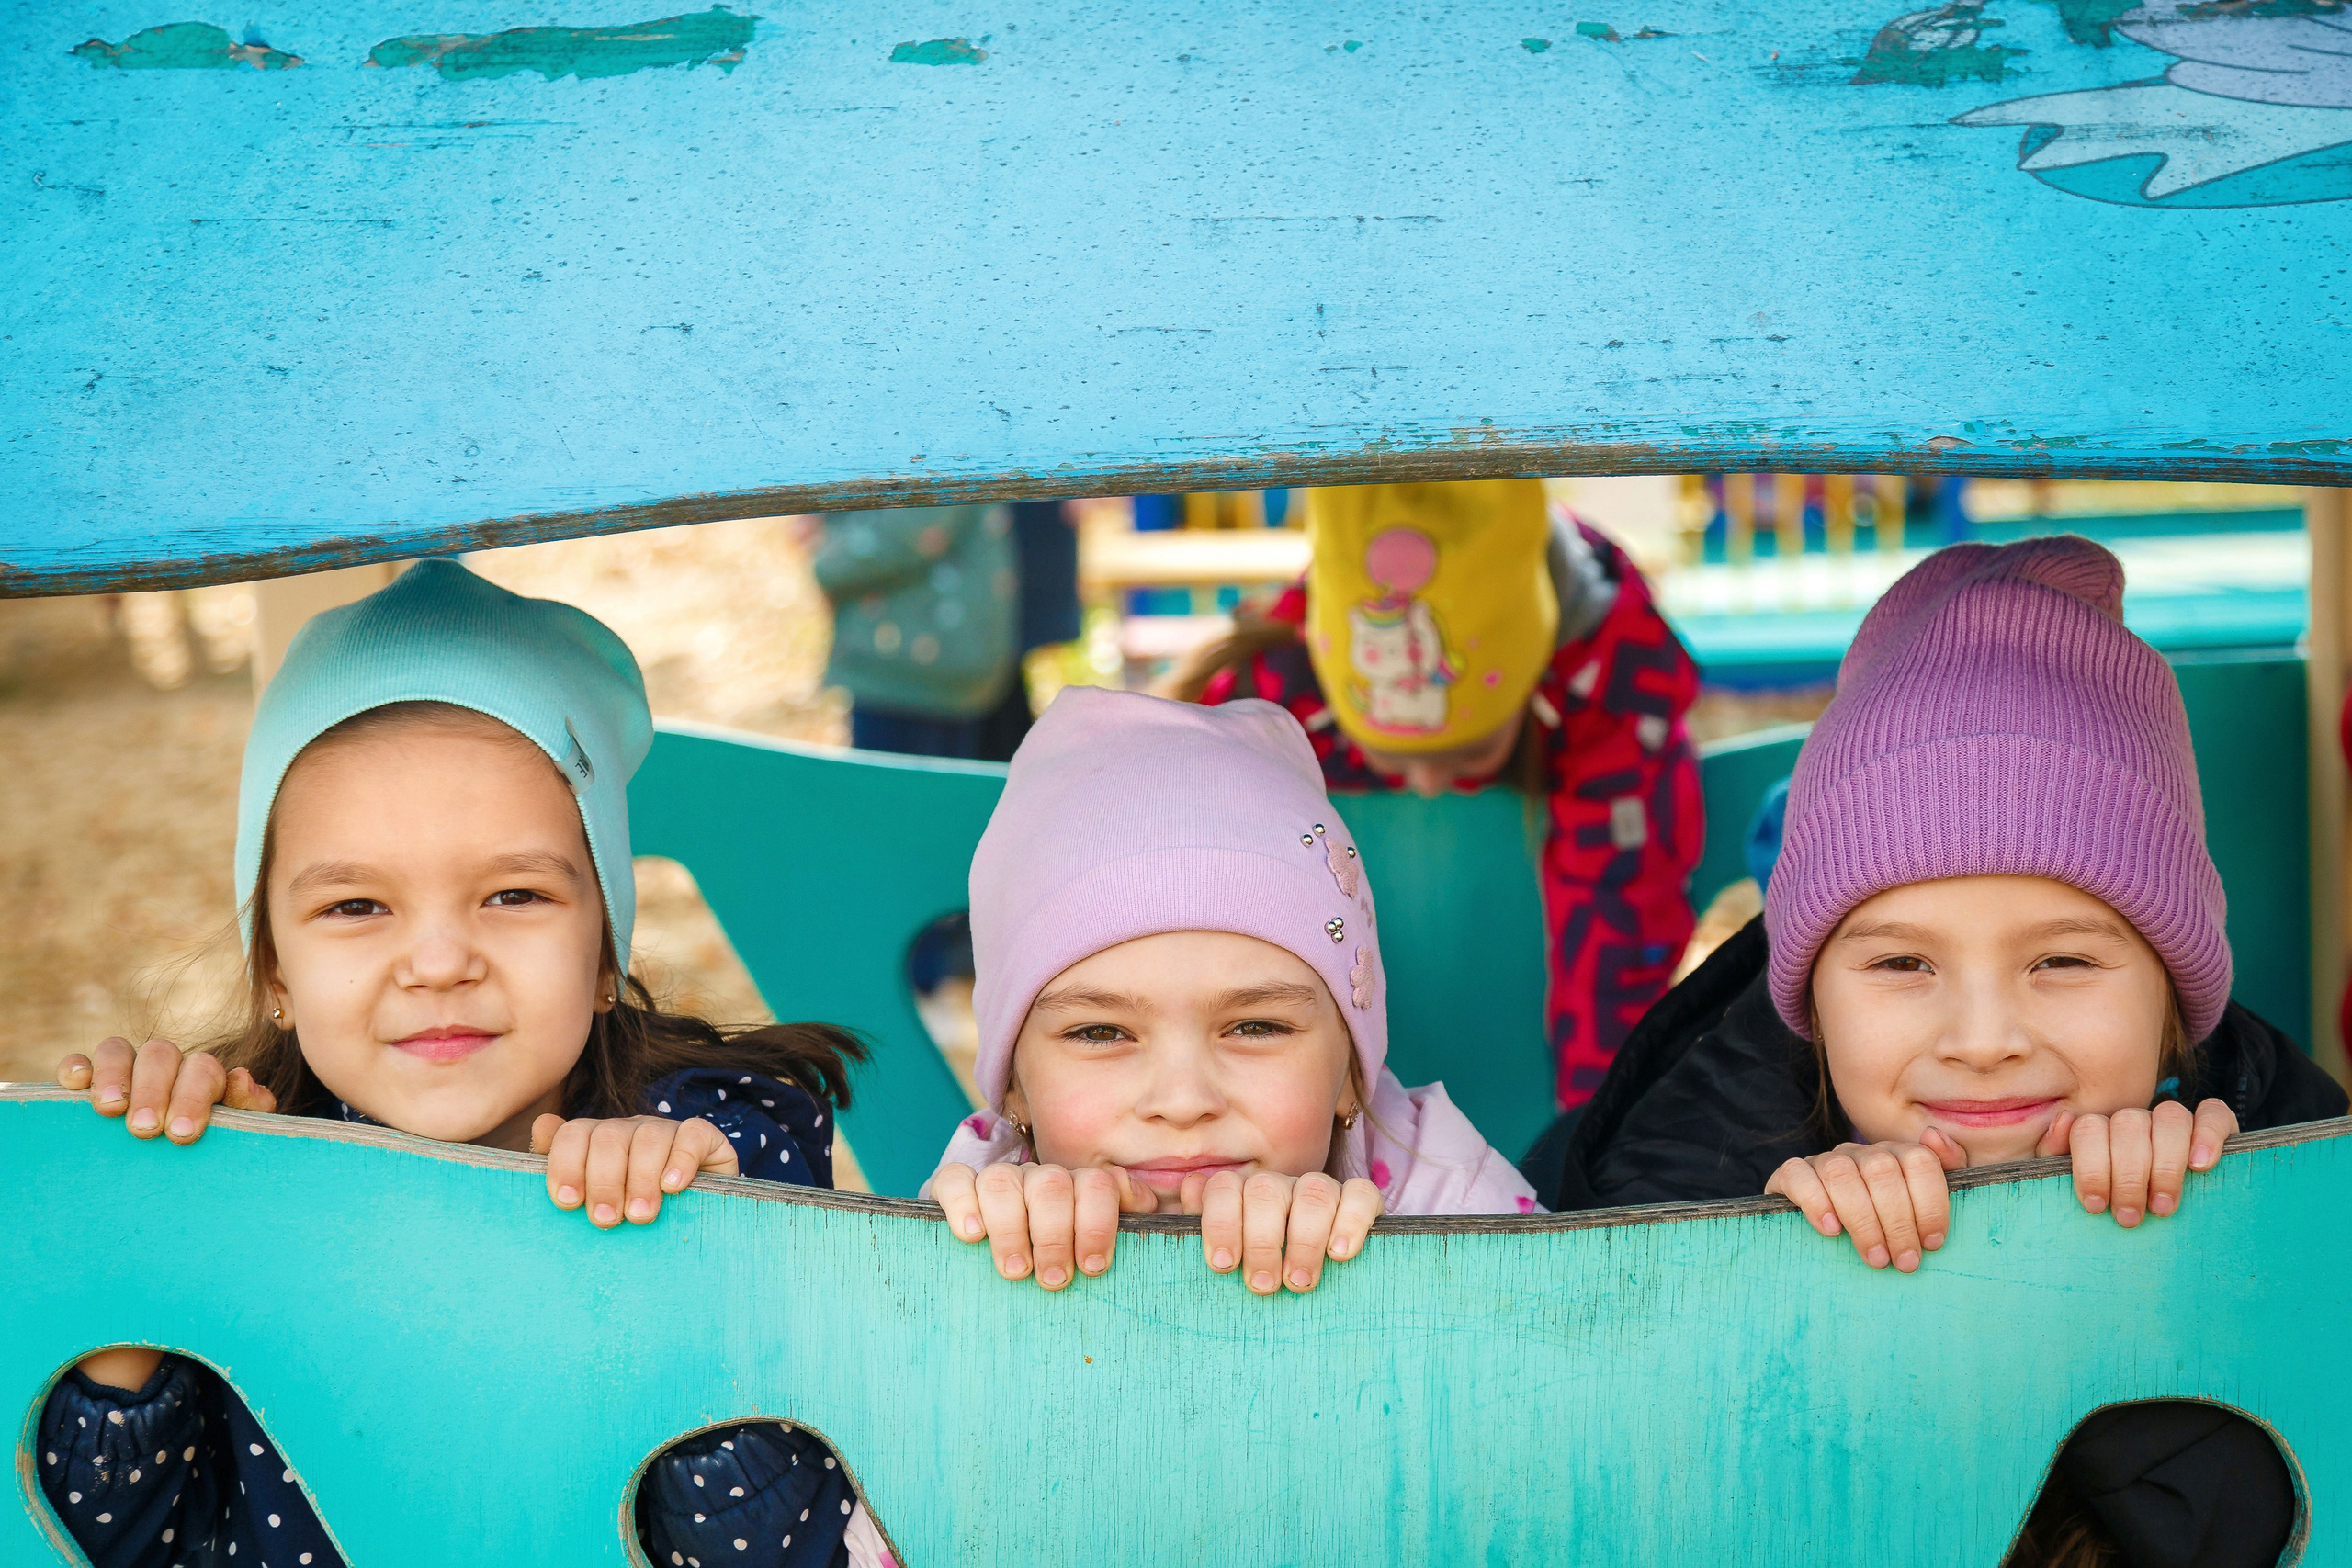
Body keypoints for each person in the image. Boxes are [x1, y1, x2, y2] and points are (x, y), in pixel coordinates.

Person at [41, 560, 891, 1568]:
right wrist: (130, 1260)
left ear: (606, 952)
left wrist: (690, 1265)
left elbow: (771, 1552)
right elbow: (109, 1543)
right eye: (356, 906)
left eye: (514, 896)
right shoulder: (226, 1168)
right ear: (275, 967)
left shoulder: (726, 1138)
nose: (440, 962)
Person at [1553, 537, 2339, 1568]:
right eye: (1901, 967)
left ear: (2173, 1004)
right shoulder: (1680, 1164)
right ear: (1812, 1004)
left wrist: (2151, 1277)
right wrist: (1791, 1271)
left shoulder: (2287, 1164)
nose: (1981, 1043)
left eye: (2060, 961)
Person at [925, 686, 1539, 1294]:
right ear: (1012, 1089)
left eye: (1256, 1026)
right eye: (1100, 1031)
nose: (1185, 1100)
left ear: (1354, 1071)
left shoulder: (1456, 1210)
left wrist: (1389, 1275)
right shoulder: (985, 1202)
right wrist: (987, 1259)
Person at [1176, 480, 1702, 1111]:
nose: (1426, 788)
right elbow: (1195, 854)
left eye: (1472, 751)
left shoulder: (1608, 691)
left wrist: (1598, 1125)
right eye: (1392, 758)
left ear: (1534, 682)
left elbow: (1621, 918)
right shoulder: (1280, 689)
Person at [813, 504, 1021, 760]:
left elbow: (916, 526)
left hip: (914, 673)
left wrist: (826, 557)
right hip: (916, 661)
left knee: (903, 792)